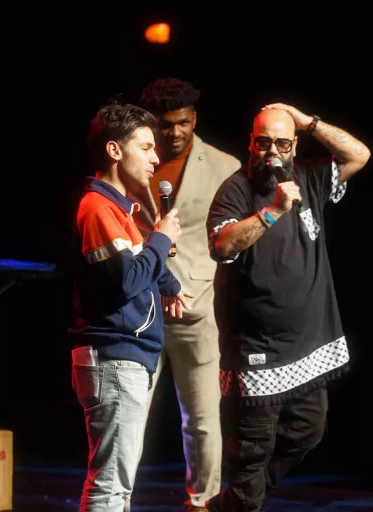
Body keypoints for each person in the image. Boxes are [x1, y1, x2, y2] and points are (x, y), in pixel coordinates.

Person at [204, 103, 371, 511]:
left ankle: (234, 502)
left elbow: (359, 155)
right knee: (252, 451)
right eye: (263, 142)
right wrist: (273, 211)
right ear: (251, 143)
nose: (272, 152)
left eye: (282, 143)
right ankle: (241, 500)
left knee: (307, 432)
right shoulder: (236, 190)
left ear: (294, 145)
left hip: (307, 346)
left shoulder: (309, 177)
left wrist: (308, 121)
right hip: (258, 350)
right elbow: (222, 245)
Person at [67, 101, 192, 512]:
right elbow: (124, 281)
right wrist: (161, 238)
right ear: (114, 150)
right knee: (110, 486)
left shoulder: (119, 209)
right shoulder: (97, 208)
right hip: (114, 360)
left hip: (124, 359)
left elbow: (137, 265)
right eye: (146, 147)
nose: (156, 158)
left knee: (118, 487)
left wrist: (170, 285)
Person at [128, 77, 241, 512]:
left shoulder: (225, 166)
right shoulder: (132, 160)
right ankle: (116, 499)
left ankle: (202, 502)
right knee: (129, 417)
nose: (174, 132)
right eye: (165, 124)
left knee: (203, 418)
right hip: (139, 308)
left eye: (183, 122)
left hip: (197, 307)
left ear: (194, 118)